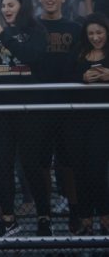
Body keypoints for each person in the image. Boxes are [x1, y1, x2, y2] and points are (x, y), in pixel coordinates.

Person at [0, 0, 48, 236]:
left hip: (29, 109)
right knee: (1, 165)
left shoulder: (36, 30)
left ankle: (44, 218)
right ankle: (8, 219)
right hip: (2, 109)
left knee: (31, 166)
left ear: (23, 5)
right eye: (3, 5)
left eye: (11, 5)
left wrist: (1, 33)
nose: (6, 10)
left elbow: (30, 56)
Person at [36, 0, 82, 232]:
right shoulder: (31, 27)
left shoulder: (75, 29)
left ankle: (75, 211)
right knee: (41, 163)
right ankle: (44, 215)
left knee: (68, 164)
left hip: (68, 106)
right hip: (38, 107)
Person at [69, 13, 109, 235]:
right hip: (78, 119)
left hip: (103, 120)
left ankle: (105, 219)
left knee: (96, 171)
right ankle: (85, 222)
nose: (96, 37)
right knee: (80, 172)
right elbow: (66, 76)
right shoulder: (79, 53)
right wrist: (83, 78)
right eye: (91, 33)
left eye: (99, 32)